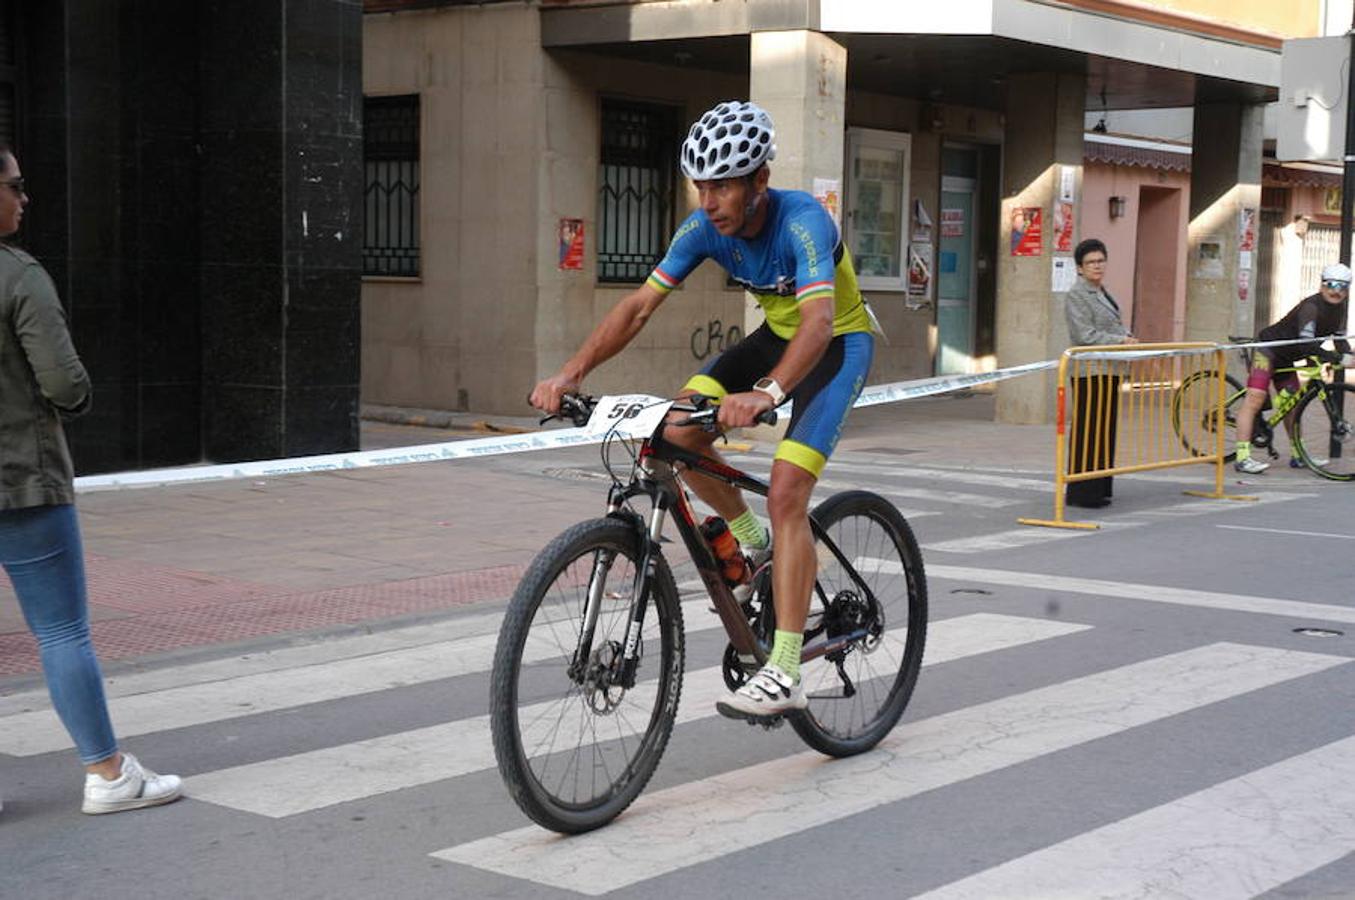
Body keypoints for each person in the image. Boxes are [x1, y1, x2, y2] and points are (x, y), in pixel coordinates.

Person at [531, 100, 875, 719]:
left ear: (758, 181)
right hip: (775, 336)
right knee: (677, 432)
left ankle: (787, 670)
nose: (709, 199)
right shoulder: (702, 230)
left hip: (837, 343)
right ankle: (751, 543)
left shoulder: (803, 223)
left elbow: (819, 321)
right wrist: (570, 372)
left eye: (723, 184)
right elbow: (638, 306)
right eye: (700, 184)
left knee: (789, 490)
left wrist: (768, 394)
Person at [0, 146, 182, 814]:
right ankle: (108, 775)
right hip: (20, 479)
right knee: (60, 632)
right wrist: (74, 397)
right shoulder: (19, 276)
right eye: (16, 185)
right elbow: (63, 382)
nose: (25, 197)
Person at [1234, 263, 1353, 474]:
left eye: (1342, 287)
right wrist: (1336, 358)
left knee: (1292, 405)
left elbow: (1340, 341)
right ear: (1322, 285)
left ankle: (1298, 455)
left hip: (1288, 357)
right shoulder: (1311, 307)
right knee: (1256, 398)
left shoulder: (1340, 309)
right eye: (1331, 285)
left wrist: (1349, 356)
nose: (1336, 291)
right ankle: (1242, 458)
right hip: (1268, 349)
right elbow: (1307, 344)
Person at [1063, 238, 1137, 509]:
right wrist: (1120, 341)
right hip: (1089, 372)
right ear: (1080, 268)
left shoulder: (1103, 292)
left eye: (1101, 260)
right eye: (1091, 262)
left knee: (1105, 429)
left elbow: (1112, 324)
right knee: (1089, 430)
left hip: (1110, 369)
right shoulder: (1077, 294)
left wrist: (1126, 336)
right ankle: (1083, 492)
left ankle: (1101, 486)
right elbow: (1084, 334)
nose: (1097, 266)